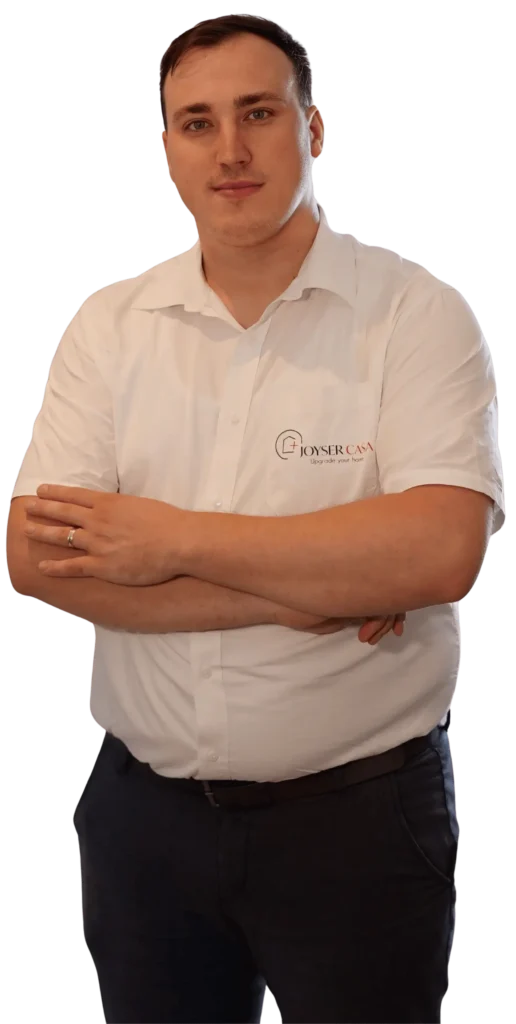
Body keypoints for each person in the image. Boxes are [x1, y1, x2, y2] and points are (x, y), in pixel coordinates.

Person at [6, 14, 504, 1024]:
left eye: (258, 114)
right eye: (197, 122)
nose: (229, 148)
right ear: (168, 147)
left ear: (313, 129)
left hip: (357, 822)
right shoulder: (109, 325)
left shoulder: (416, 313)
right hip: (143, 822)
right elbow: (38, 558)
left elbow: (439, 551)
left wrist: (168, 542)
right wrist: (304, 590)